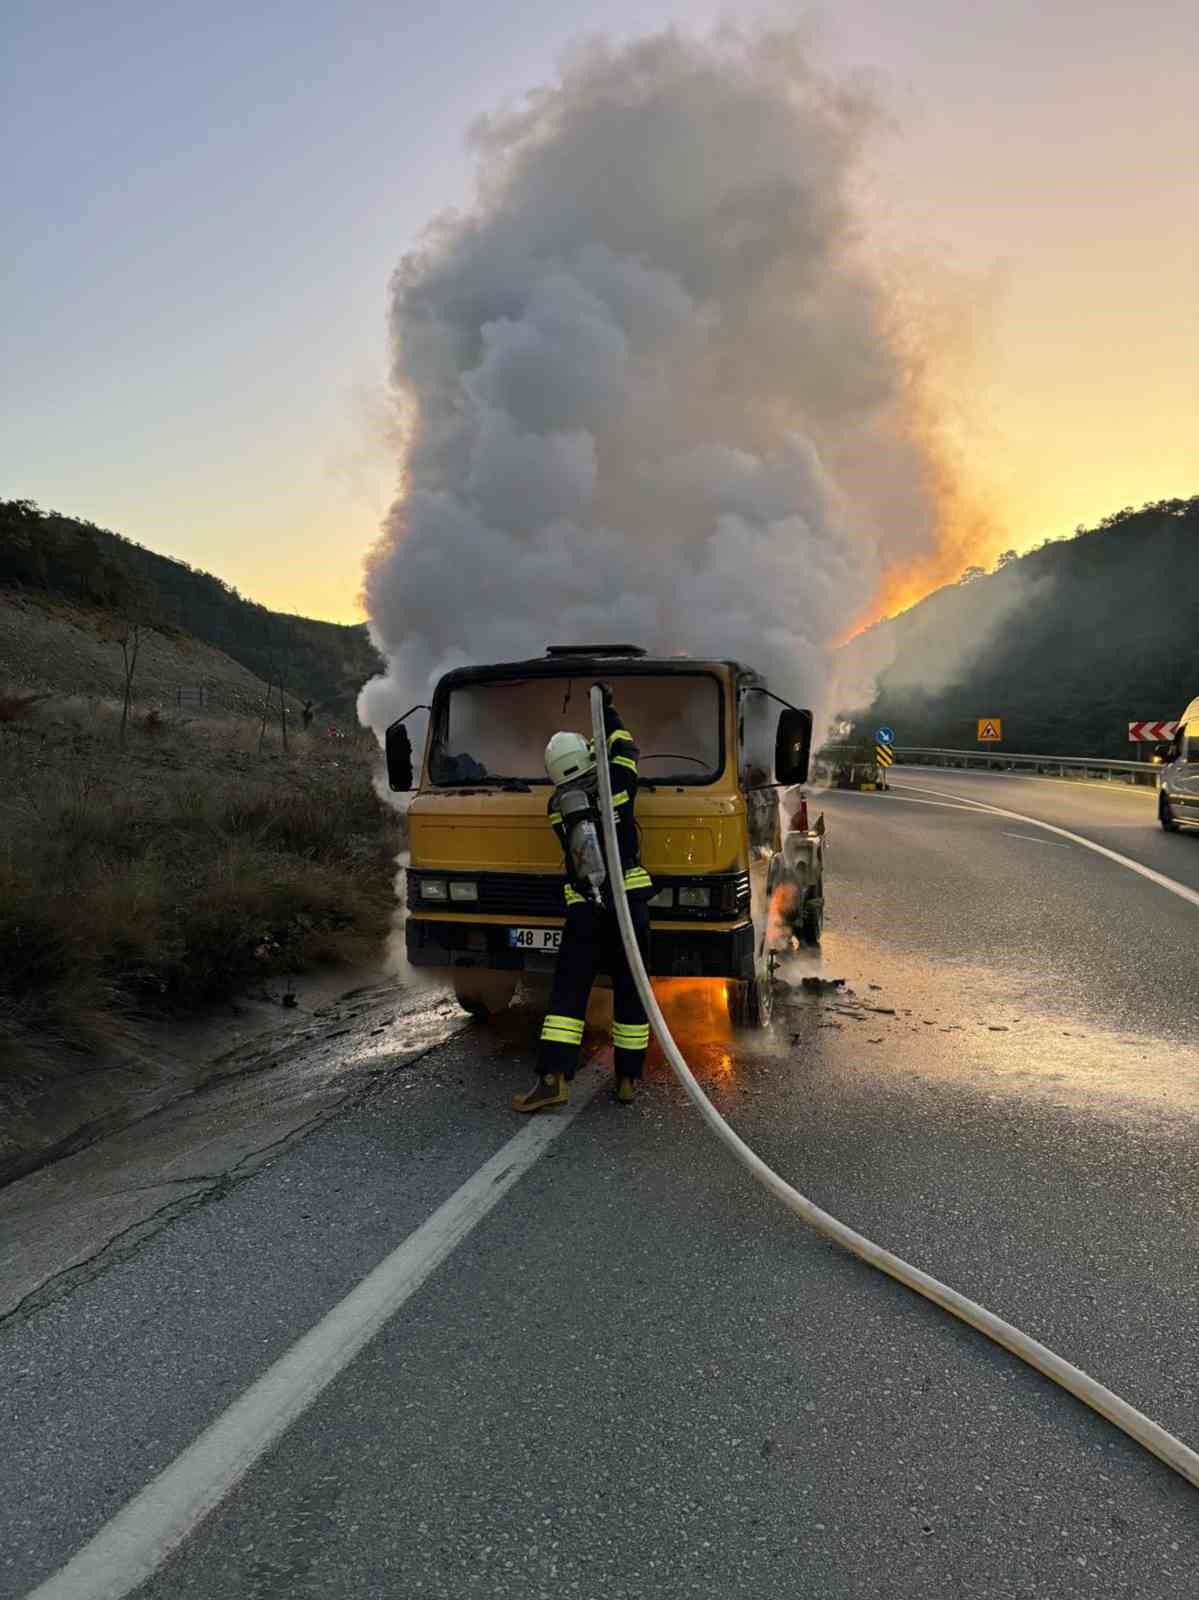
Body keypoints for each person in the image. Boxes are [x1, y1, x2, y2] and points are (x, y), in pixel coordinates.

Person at [512, 682, 654, 1113]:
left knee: (569, 993)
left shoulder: (557, 807)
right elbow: (625, 748)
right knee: (633, 990)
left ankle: (553, 1078)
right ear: (589, 758)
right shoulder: (621, 785)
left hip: (585, 911)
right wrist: (606, 711)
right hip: (629, 904)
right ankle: (628, 1078)